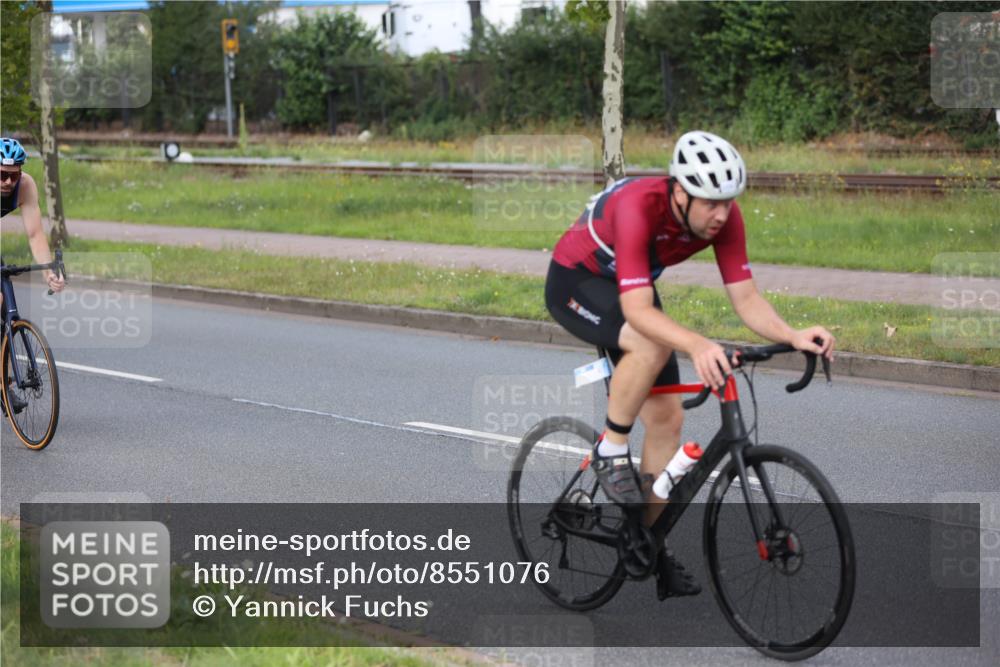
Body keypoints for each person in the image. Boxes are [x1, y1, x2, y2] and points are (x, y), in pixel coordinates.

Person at [545, 130, 835, 600]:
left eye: (728, 202)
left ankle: (646, 542)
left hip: (630, 286)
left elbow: (746, 298)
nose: (721, 214)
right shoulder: (638, 206)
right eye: (711, 203)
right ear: (680, 192)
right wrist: (698, 345)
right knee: (652, 344)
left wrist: (792, 335)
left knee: (667, 420)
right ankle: (610, 450)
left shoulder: (726, 219)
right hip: (577, 282)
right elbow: (638, 312)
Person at [1, 137, 66, 416]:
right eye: (2, 175)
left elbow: (35, 233)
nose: (8, 182)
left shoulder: (25, 185)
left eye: (13, 175)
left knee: (4, 308)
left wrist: (48, 273)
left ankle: (2, 384)